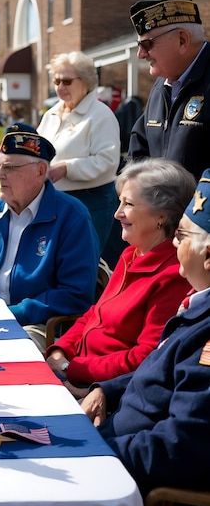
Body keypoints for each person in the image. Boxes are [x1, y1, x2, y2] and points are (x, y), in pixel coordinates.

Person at [81, 169, 210, 497]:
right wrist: (107, 391)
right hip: (114, 431)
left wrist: (98, 452)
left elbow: (184, 441)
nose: (174, 242)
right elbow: (162, 369)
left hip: (128, 474)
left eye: (181, 235)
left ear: (207, 256)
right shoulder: (198, 306)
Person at [46, 158, 195, 398]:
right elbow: (95, 315)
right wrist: (60, 351)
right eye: (119, 203)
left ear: (162, 216)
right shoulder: (131, 254)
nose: (117, 214)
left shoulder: (173, 274)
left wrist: (74, 369)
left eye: (128, 204)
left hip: (106, 393)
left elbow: (146, 356)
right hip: (75, 373)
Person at [0, 123, 100, 352]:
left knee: (7, 353)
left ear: (40, 171)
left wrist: (14, 313)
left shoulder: (71, 217)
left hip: (37, 325)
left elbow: (75, 294)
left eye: (9, 168)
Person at [37, 51, 120, 252]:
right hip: (53, 200)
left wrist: (66, 168)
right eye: (56, 81)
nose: (60, 87)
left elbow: (107, 161)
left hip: (92, 202)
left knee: (84, 262)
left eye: (66, 81)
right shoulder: (52, 114)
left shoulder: (100, 115)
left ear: (86, 82)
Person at [128, 0, 210, 180]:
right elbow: (139, 148)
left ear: (182, 40)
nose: (140, 54)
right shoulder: (162, 86)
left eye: (147, 44)